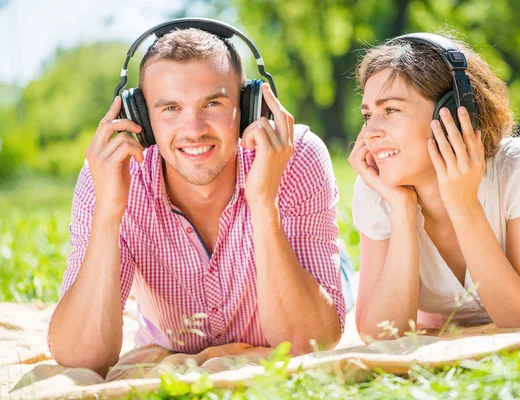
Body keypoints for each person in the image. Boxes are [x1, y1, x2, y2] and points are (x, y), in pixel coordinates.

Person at [48, 19, 349, 377]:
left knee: (338, 281)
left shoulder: (294, 155)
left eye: (213, 103)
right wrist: (109, 213)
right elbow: (80, 358)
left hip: (306, 270)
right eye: (170, 108)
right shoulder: (110, 176)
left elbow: (309, 342)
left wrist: (264, 204)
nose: (193, 130)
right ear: (140, 117)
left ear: (250, 107)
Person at [348, 33, 520, 341]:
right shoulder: (377, 191)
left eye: (390, 110)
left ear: (454, 112)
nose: (371, 132)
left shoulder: (519, 167)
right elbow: (379, 334)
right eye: (367, 115)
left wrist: (463, 204)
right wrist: (402, 211)